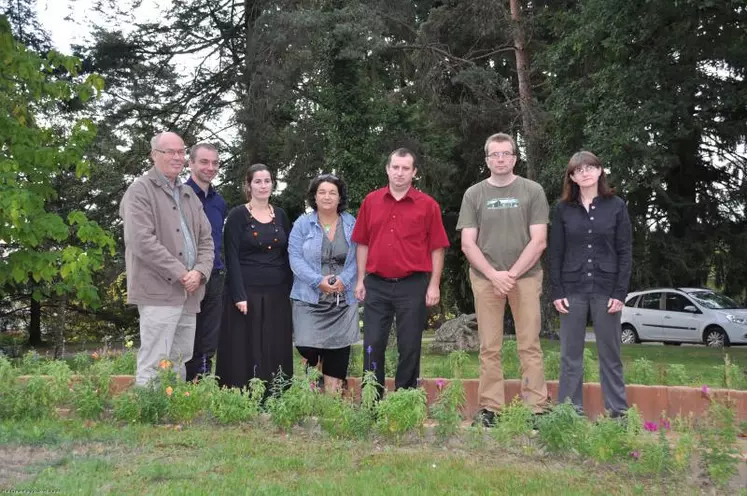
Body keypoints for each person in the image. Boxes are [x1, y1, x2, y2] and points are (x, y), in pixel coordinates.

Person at [457, 132, 550, 426]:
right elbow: (468, 243)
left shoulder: (532, 191)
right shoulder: (474, 194)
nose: (500, 159)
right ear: (486, 160)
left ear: (514, 157)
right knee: (489, 346)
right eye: (494, 154)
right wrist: (494, 275)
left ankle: (536, 407)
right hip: (486, 279)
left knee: (529, 344)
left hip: (524, 278)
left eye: (505, 154)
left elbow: (539, 241)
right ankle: (490, 408)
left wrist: (510, 275)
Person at [352, 148, 449, 397]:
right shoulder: (371, 201)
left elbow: (437, 248)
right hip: (376, 284)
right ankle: (372, 400)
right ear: (387, 168)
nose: (399, 173)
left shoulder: (428, 206)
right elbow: (362, 242)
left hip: (412, 285)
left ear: (414, 172)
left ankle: (404, 400)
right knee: (373, 345)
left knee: (410, 346)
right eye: (395, 167)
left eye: (406, 168)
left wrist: (434, 284)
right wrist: (360, 279)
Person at [120, 131, 214, 386]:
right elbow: (141, 241)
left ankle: (171, 412)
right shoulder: (139, 191)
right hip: (158, 292)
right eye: (170, 152)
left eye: (181, 152)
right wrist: (183, 273)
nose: (177, 157)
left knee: (179, 357)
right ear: (154, 155)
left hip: (189, 293)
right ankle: (149, 416)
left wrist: (200, 272)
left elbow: (207, 240)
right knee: (155, 358)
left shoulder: (188, 195)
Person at [549, 151, 632, 418]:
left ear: (599, 170)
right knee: (570, 355)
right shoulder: (563, 209)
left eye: (590, 167)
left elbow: (625, 251)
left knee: (610, 353)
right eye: (578, 170)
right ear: (572, 177)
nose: (584, 173)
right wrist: (557, 291)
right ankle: (570, 413)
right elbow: (555, 252)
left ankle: (617, 412)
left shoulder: (616, 206)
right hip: (571, 289)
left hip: (606, 289)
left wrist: (620, 292)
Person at [215, 163, 293, 389]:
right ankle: (241, 394)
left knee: (274, 343)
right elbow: (231, 256)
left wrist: (290, 291)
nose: (263, 186)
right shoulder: (237, 215)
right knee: (245, 345)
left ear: (273, 184)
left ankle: (275, 392)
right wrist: (238, 295)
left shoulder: (280, 215)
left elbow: (286, 255)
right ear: (248, 186)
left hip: (277, 292)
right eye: (257, 182)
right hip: (246, 292)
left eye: (267, 181)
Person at [289, 174, 358, 393]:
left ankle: (333, 396)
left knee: (338, 347)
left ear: (340, 198)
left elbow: (359, 256)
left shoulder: (351, 223)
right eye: (322, 192)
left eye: (332, 193)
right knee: (306, 344)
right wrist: (317, 281)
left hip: (342, 298)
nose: (327, 197)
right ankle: (316, 377)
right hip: (309, 297)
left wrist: (344, 280)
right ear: (314, 197)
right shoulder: (302, 224)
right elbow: (295, 257)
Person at [183, 143, 227, 381]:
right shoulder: (180, 196)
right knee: (188, 335)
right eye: (204, 162)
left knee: (209, 337)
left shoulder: (219, 202)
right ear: (190, 163)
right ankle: (184, 386)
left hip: (216, 276)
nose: (210, 167)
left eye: (215, 163)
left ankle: (202, 384)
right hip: (190, 277)